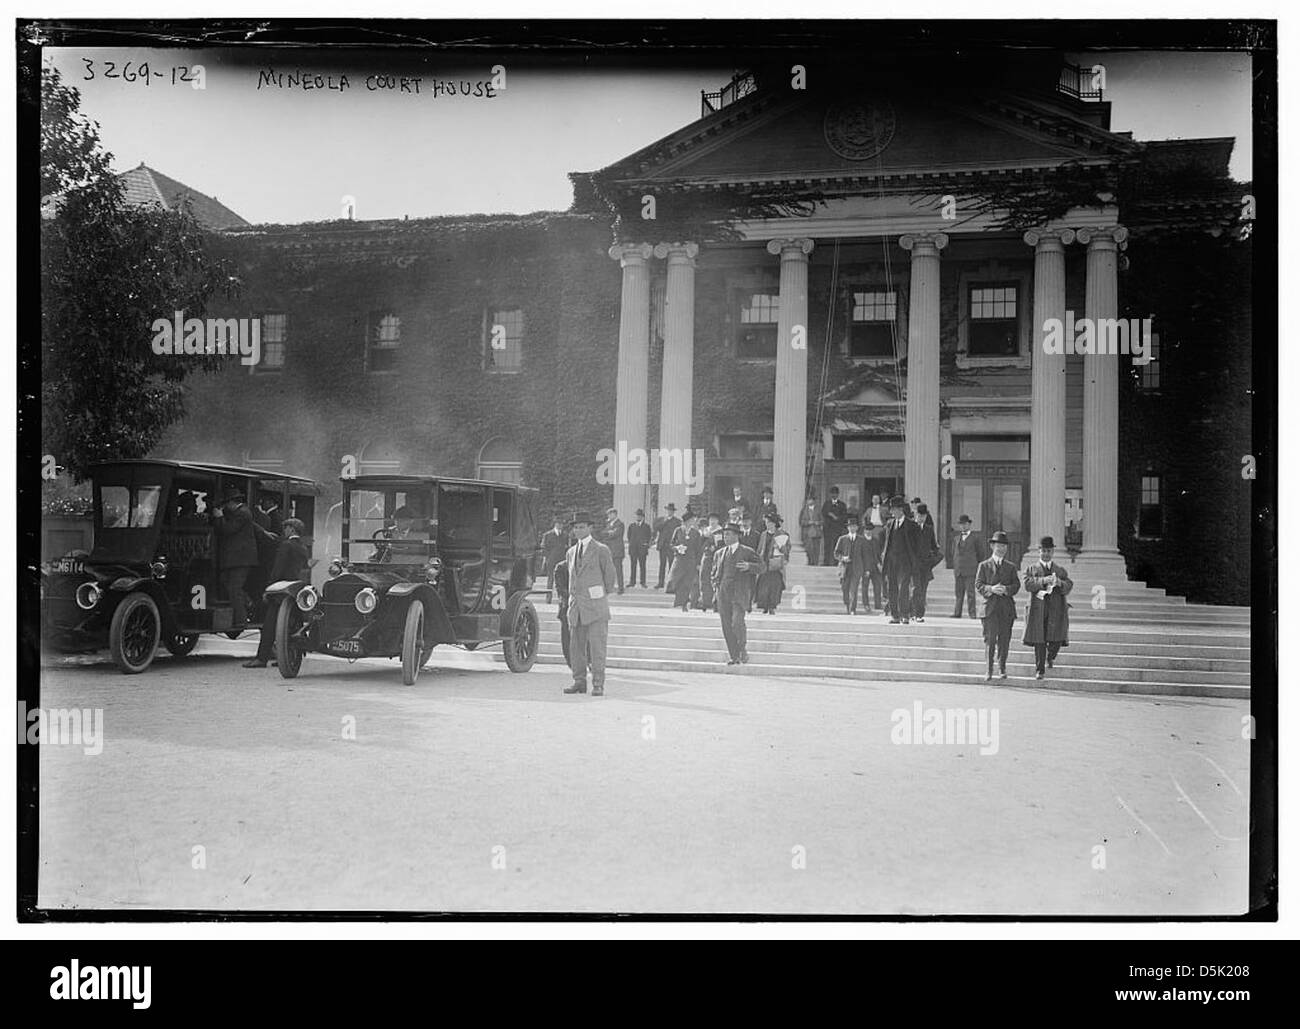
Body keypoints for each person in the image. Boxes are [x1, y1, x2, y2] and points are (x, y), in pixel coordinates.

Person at [243, 518, 311, 669]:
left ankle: (261, 659)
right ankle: (284, 657)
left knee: (269, 625)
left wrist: (268, 588)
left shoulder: (286, 545)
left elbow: (277, 569)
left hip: (280, 589)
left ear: (292, 529)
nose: (284, 531)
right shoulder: (303, 548)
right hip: (294, 589)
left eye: (286, 528)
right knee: (287, 626)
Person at [563, 513, 616, 696]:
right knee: (576, 647)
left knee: (597, 648)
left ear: (590, 528)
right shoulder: (571, 552)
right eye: (576, 527)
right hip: (576, 607)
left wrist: (598, 596)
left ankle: (598, 683)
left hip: (595, 608)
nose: (578, 530)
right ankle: (579, 681)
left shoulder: (601, 550)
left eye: (582, 527)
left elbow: (610, 578)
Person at [1022, 536, 1073, 679]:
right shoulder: (1032, 569)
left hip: (1056, 609)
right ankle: (1040, 670)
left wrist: (1059, 583)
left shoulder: (1060, 570)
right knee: (1040, 640)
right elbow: (1027, 584)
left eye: (1049, 551)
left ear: (1053, 552)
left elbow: (1069, 586)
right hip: (1038, 609)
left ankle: (1050, 656)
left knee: (1057, 639)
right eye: (1043, 551)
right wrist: (1043, 580)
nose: (1046, 554)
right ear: (1039, 551)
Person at [214, 485, 263, 631]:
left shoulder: (242, 513)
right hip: (236, 559)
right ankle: (248, 603)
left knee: (234, 588)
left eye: (227, 504)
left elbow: (227, 530)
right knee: (228, 583)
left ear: (232, 502)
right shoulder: (240, 512)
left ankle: (241, 620)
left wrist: (219, 517)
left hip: (241, 559)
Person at [712, 523, 761, 665]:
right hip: (723, 593)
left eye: (728, 534)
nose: (725, 537)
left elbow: (762, 567)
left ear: (736, 535)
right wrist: (716, 586)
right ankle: (734, 656)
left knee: (737, 622)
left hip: (739, 593)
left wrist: (749, 566)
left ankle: (741, 649)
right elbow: (714, 572)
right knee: (726, 625)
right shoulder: (719, 553)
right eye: (724, 534)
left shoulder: (747, 551)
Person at [976, 530, 1021, 682]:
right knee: (990, 639)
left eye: (1004, 546)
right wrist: (991, 589)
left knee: (1004, 639)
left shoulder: (1011, 567)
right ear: (992, 546)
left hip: (1006, 608)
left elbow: (1016, 585)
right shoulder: (984, 566)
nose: (1001, 549)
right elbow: (978, 584)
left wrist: (1007, 590)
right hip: (989, 608)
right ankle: (988, 670)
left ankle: (1002, 667)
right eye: (998, 546)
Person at [881, 495, 924, 624]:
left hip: (905, 562)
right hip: (892, 562)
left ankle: (905, 615)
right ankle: (895, 616)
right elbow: (886, 543)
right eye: (891, 510)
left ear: (900, 510)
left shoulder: (911, 525)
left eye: (894, 509)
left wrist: (915, 560)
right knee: (892, 588)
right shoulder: (889, 524)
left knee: (904, 588)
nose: (892, 512)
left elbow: (918, 545)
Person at [833, 514, 873, 614]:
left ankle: (852, 609)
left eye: (854, 526)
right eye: (850, 526)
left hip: (857, 568)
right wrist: (842, 558)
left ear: (857, 528)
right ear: (847, 527)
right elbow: (836, 553)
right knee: (845, 589)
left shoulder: (862, 540)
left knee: (853, 589)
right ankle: (847, 605)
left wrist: (867, 569)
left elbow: (866, 556)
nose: (852, 528)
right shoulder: (842, 539)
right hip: (845, 568)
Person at [950, 514, 986, 618]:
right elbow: (953, 552)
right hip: (959, 570)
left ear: (969, 524)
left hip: (970, 570)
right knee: (958, 594)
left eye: (965, 524)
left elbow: (981, 554)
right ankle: (957, 613)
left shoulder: (975, 538)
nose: (963, 526)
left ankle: (972, 614)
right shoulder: (956, 538)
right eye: (961, 524)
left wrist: (976, 566)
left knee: (970, 593)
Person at [754, 513, 790, 614]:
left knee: (774, 587)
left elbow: (786, 549)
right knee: (763, 586)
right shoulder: (763, 534)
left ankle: (772, 606)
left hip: (775, 564)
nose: (767, 525)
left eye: (769, 523)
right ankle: (764, 605)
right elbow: (760, 548)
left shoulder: (782, 534)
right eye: (766, 523)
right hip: (764, 563)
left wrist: (781, 547)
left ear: (774, 524)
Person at [911, 502, 941, 623]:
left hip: (925, 565)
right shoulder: (911, 528)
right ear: (915, 515)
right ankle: (913, 613)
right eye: (919, 515)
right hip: (913, 565)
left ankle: (919, 614)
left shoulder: (929, 529)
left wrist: (932, 560)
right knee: (916, 589)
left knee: (923, 590)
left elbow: (934, 547)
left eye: (923, 516)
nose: (921, 518)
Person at [668, 511, 703, 611]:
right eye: (691, 520)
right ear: (687, 521)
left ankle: (683, 604)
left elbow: (698, 549)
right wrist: (677, 548)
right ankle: (678, 602)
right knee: (677, 580)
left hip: (690, 560)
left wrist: (698, 563)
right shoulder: (678, 530)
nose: (693, 521)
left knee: (687, 582)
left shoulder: (695, 533)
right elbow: (671, 544)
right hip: (679, 560)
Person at [697, 513, 724, 613]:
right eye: (711, 519)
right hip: (706, 557)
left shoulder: (721, 531)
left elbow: (722, 546)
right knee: (704, 579)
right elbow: (699, 546)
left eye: (714, 520)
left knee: (716, 580)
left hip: (717, 558)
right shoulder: (705, 531)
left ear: (718, 521)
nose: (712, 522)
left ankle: (716, 603)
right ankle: (705, 602)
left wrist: (715, 548)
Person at [552, 543, 573, 667]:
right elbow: (560, 588)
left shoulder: (581, 566)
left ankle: (587, 660)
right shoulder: (561, 567)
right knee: (566, 635)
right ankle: (569, 660)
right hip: (567, 605)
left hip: (582, 606)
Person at [654, 503, 681, 589]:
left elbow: (679, 533)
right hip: (663, 545)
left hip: (671, 545)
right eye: (668, 510)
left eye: (671, 511)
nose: (669, 512)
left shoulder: (677, 521)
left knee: (671, 565)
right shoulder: (661, 519)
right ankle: (660, 582)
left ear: (673, 512)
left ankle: (671, 583)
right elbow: (656, 528)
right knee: (662, 565)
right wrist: (664, 521)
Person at [820, 487, 848, 566]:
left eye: (835, 493)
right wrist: (830, 514)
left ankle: (836, 562)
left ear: (838, 494)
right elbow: (823, 512)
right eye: (832, 493)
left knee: (837, 545)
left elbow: (845, 516)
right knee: (827, 545)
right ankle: (826, 562)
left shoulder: (842, 505)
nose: (834, 495)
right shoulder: (827, 503)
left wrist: (837, 518)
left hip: (837, 528)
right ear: (830, 494)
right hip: (828, 528)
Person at [602, 507, 626, 595]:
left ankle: (621, 587)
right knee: (607, 570)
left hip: (617, 550)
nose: (609, 516)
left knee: (618, 570)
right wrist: (609, 532)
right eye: (608, 514)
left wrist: (609, 533)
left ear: (615, 514)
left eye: (610, 514)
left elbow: (616, 534)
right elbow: (603, 533)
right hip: (609, 550)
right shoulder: (608, 523)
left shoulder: (620, 524)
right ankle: (609, 587)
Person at [626, 508, 653, 588]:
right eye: (637, 515)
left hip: (642, 549)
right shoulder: (632, 526)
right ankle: (632, 581)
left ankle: (643, 582)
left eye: (640, 516)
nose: (638, 517)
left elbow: (649, 536)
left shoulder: (646, 526)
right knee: (633, 565)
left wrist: (646, 544)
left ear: (643, 517)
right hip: (633, 549)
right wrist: (632, 543)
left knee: (642, 566)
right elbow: (629, 536)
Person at [540, 516, 569, 586]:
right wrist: (547, 558)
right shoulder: (547, 535)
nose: (560, 525)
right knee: (550, 579)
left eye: (562, 524)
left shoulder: (565, 535)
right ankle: (548, 596)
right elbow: (543, 547)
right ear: (555, 524)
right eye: (558, 523)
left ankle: (561, 596)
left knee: (562, 580)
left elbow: (567, 548)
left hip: (562, 560)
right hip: (551, 561)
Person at [799, 496, 823, 566]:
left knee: (816, 549)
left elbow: (822, 521)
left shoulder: (818, 510)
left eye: (811, 500)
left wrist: (818, 522)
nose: (809, 501)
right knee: (808, 549)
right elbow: (801, 522)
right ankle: (810, 562)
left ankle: (816, 563)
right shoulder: (803, 510)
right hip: (807, 533)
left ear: (814, 501)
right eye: (808, 500)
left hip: (816, 532)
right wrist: (808, 522)